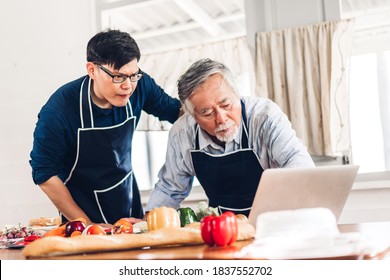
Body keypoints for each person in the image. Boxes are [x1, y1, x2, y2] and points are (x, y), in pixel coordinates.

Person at [29, 29, 181, 225]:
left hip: (128, 199)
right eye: (118, 77)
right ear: (92, 70)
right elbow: (44, 171)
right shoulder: (60, 109)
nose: (128, 86)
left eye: (133, 75)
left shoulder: (140, 85)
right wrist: (86, 225)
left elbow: (175, 112)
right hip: (81, 211)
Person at [145, 58, 315, 217]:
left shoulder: (264, 117)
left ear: (236, 94)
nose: (221, 118)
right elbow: (170, 188)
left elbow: (296, 160)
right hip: (222, 230)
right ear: (192, 116)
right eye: (207, 112)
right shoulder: (182, 133)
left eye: (226, 105)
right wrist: (148, 221)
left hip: (274, 220)